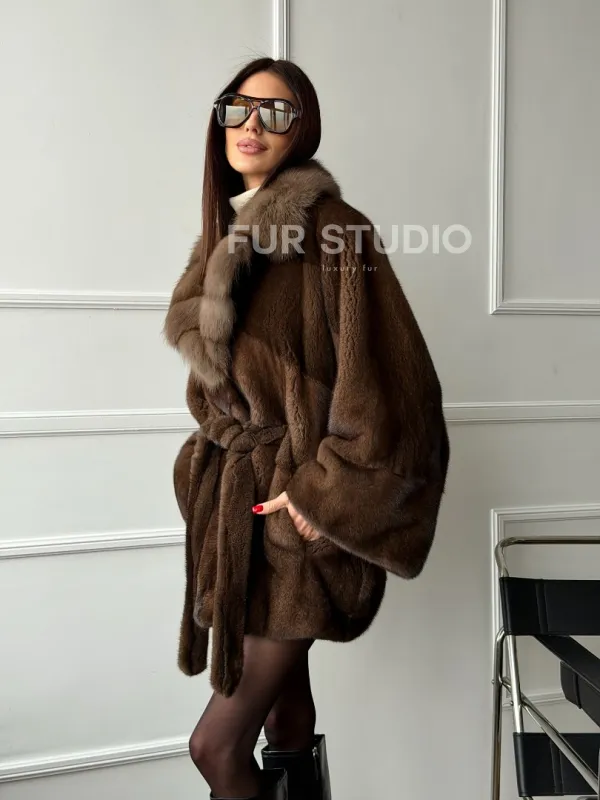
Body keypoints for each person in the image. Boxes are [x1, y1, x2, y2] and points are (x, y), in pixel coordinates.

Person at [163, 56, 450, 800]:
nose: (252, 125)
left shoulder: (335, 233)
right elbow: (222, 394)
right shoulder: (225, 243)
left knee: (213, 749)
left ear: (303, 131)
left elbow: (401, 395)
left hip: (296, 523)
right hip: (243, 521)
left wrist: (322, 501)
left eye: (276, 112)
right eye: (238, 108)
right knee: (285, 720)